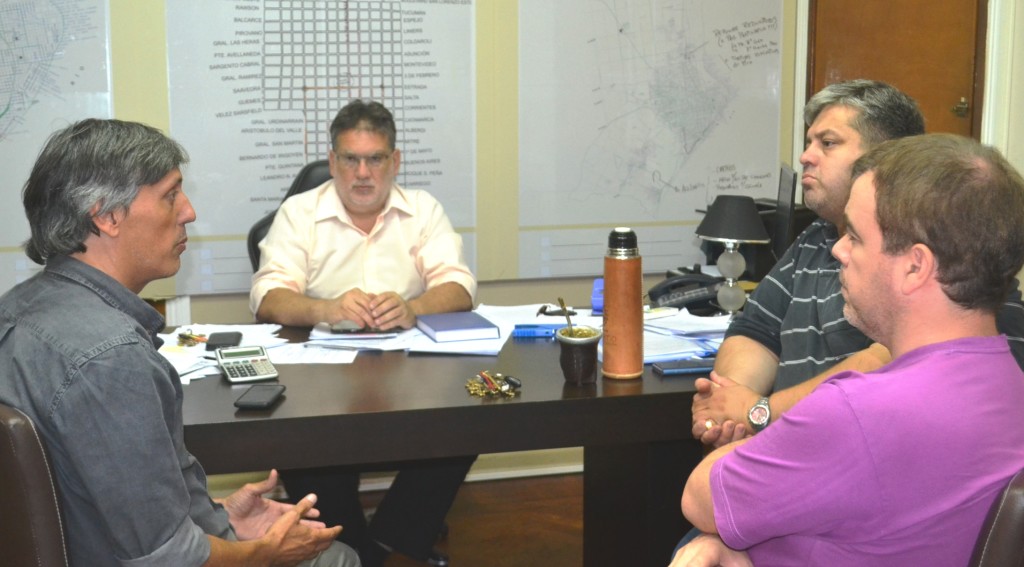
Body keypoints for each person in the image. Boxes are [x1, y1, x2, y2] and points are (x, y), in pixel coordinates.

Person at [0, 119, 359, 566]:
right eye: (170, 195)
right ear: (106, 216)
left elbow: (94, 497)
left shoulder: (14, 309)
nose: (188, 211)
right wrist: (264, 553)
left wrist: (219, 514)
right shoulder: (111, 361)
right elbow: (168, 558)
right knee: (337, 557)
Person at [673, 133, 1024, 565]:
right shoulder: (1009, 381)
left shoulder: (859, 413)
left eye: (855, 236)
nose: (838, 250)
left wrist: (753, 437)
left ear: (915, 266)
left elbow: (699, 498)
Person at [691, 79, 1024, 448]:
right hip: (785, 450)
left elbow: (890, 369)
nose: (806, 156)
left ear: (885, 157)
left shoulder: (961, 270)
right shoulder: (816, 237)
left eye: (828, 143)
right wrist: (728, 406)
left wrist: (759, 411)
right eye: (809, 142)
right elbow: (756, 329)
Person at [250, 99, 476, 567]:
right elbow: (268, 296)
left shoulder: (423, 210)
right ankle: (352, 548)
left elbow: (460, 286)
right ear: (332, 161)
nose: (362, 173)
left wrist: (413, 308)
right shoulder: (299, 213)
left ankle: (390, 540)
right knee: (302, 436)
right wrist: (325, 308)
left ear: (395, 161)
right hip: (320, 379)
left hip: (409, 377)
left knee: (466, 425)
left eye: (375, 159)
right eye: (350, 159)